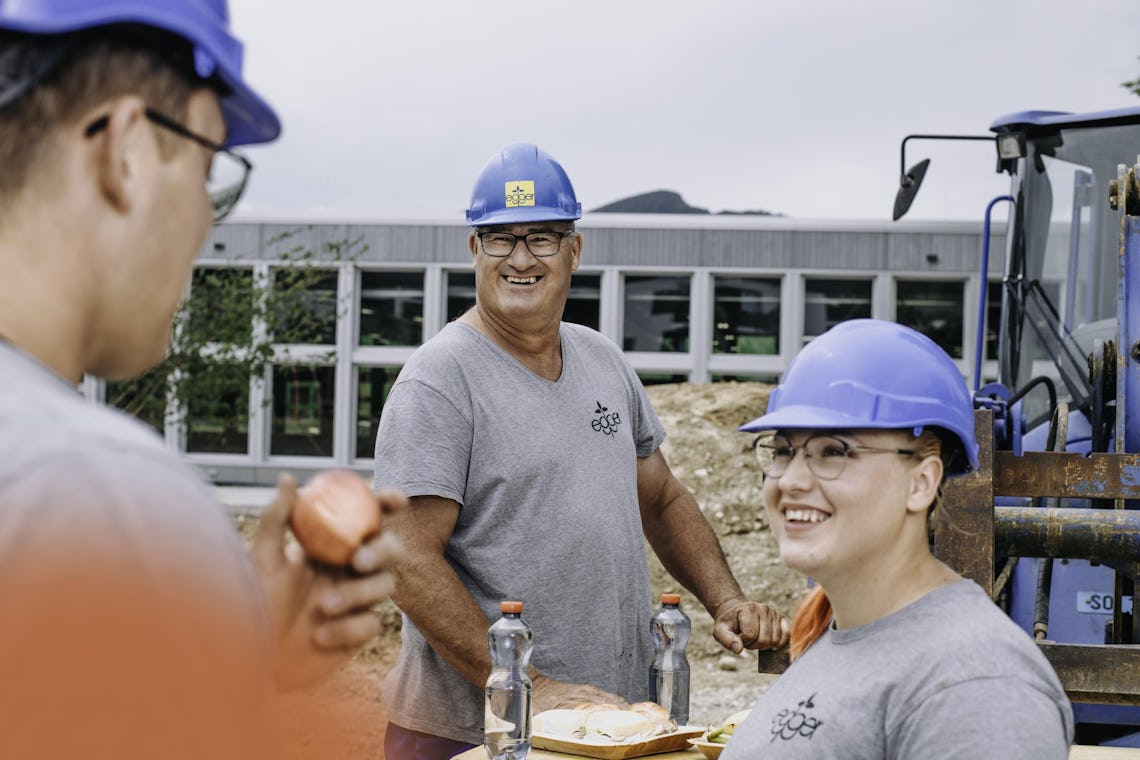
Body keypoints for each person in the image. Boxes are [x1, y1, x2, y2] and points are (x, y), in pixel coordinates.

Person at [0, 3, 403, 758]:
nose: (205, 220)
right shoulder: (102, 500)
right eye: (209, 166)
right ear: (123, 149)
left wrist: (233, 653)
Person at [372, 142, 788, 759]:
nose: (520, 258)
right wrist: (534, 689)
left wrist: (725, 600)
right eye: (500, 239)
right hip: (476, 737)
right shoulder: (441, 381)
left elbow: (665, 500)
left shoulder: (603, 361)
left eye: (541, 237)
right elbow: (406, 561)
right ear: (473, 250)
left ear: (574, 249)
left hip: (602, 729)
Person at [723, 318, 1074, 758]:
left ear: (921, 483)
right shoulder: (844, 638)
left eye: (834, 451)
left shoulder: (976, 685)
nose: (791, 480)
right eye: (783, 450)